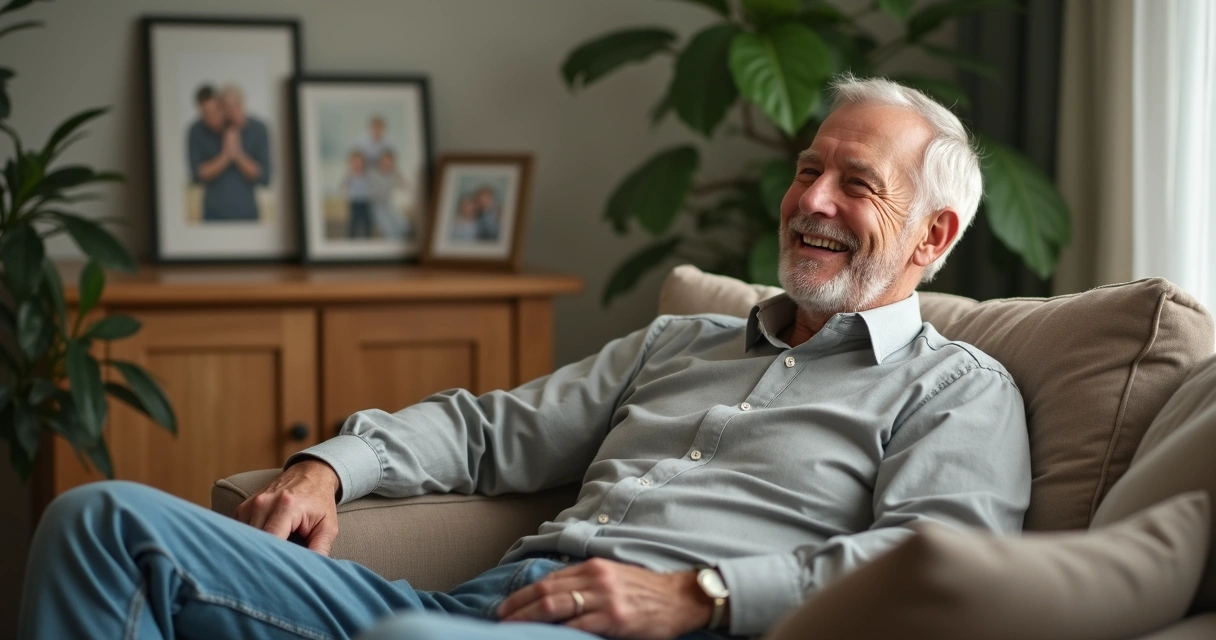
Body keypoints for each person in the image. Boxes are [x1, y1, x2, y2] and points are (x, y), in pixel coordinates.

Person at [19, 76, 1031, 640]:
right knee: (100, 520)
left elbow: (932, 571)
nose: (810, 199)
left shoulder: (956, 389)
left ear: (931, 237)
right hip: (473, 607)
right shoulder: (680, 342)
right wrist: (329, 466)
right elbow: (485, 428)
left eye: (855, 184)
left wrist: (702, 594)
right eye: (808, 169)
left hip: (643, 634)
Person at [186, 83, 271, 221]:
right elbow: (197, 175)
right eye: (227, 108)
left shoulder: (258, 129)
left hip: (248, 213)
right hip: (213, 214)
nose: (231, 112)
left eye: (236, 107)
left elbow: (265, 176)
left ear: (243, 105)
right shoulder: (201, 131)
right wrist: (226, 155)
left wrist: (237, 154)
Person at [367, 149, 411, 240]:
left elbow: (405, 185)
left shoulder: (394, 174)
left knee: (403, 225)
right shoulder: (372, 174)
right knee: (389, 229)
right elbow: (371, 194)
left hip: (388, 204)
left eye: (389, 161)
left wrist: (398, 173)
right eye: (384, 160)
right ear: (380, 161)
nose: (387, 163)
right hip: (376, 205)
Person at [344, 150, 374, 239]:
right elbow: (344, 187)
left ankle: (368, 239)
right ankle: (351, 239)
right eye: (355, 162)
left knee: (367, 222)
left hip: (365, 201)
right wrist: (346, 197)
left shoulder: (367, 175)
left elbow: (372, 187)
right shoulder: (350, 175)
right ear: (352, 163)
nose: (358, 164)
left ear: (364, 163)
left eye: (360, 162)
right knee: (353, 222)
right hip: (354, 202)